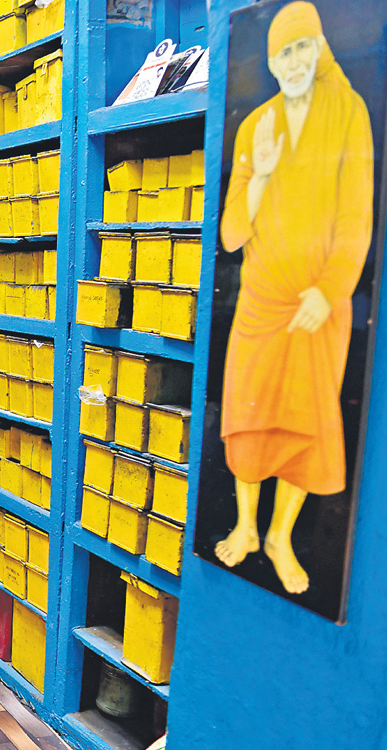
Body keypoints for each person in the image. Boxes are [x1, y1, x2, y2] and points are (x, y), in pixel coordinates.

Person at [214, 0, 374, 594]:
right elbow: (231, 233)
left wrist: (330, 290)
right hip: (261, 298)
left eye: (304, 46)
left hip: (316, 304)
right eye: (284, 52)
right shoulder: (257, 126)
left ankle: (280, 535)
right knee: (250, 416)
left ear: (320, 49)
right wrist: (260, 175)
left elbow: (356, 220)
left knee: (304, 425)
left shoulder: (349, 113)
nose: (296, 60)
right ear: (273, 64)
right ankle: (247, 525)